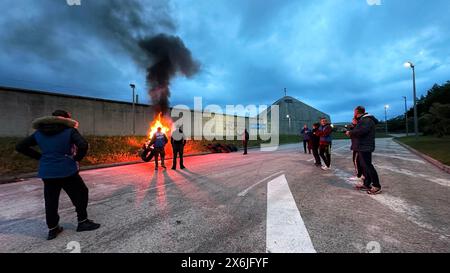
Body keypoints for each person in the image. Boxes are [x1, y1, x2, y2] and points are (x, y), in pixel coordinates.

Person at [16, 110, 100, 240]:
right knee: (81, 193)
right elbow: (83, 144)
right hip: (67, 170)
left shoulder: (40, 132)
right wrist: (77, 158)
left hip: (47, 172)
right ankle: (82, 222)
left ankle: (53, 229)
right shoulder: (69, 130)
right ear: (66, 119)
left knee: (51, 200)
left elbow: (20, 146)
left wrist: (40, 157)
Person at [346, 106, 382, 195]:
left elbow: (361, 131)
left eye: (354, 112)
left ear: (357, 112)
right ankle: (366, 184)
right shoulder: (363, 119)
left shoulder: (366, 120)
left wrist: (350, 133)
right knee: (365, 166)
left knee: (368, 166)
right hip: (362, 146)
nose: (354, 114)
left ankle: (377, 186)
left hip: (365, 146)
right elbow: (359, 130)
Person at [347, 118, 364, 182]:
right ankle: (362, 174)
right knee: (359, 161)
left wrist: (350, 132)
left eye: (354, 120)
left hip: (357, 146)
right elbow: (352, 136)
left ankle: (359, 175)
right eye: (352, 121)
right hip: (357, 146)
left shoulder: (358, 127)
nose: (352, 122)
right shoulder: (355, 127)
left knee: (356, 161)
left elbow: (356, 136)